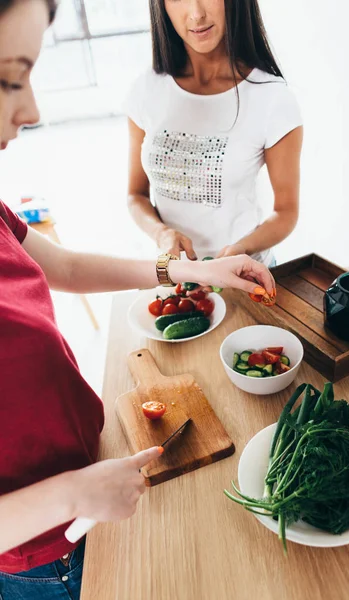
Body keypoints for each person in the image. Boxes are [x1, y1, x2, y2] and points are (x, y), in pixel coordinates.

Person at [0, 0, 276, 597]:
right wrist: (73, 494)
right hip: (45, 556)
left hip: (93, 477)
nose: (32, 109)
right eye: (7, 78)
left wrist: (193, 269)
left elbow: (66, 267)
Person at [126, 0, 303, 267]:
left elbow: (286, 211)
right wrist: (162, 234)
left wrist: (240, 249)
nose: (196, 14)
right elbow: (135, 195)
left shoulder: (272, 98)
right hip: (179, 279)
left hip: (244, 276)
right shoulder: (146, 90)